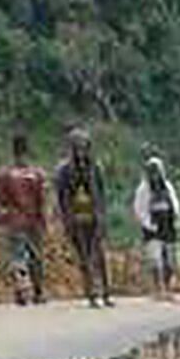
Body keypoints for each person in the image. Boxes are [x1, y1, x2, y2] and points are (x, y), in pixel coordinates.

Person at [54, 126, 113, 308]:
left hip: (94, 217)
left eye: (83, 146)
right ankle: (91, 294)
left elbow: (101, 194)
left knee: (100, 256)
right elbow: (62, 196)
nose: (80, 150)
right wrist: (66, 219)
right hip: (76, 218)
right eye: (77, 146)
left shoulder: (95, 167)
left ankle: (106, 292)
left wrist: (102, 216)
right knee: (85, 257)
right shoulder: (64, 170)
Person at [0, 133, 50, 305]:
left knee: (17, 256)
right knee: (36, 256)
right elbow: (42, 199)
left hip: (14, 221)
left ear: (13, 151)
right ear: (28, 150)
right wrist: (44, 220)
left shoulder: (5, 174)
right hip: (33, 221)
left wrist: (4, 218)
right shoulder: (37, 174)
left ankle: (21, 289)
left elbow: (1, 200)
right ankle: (38, 292)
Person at [132, 154, 180, 301]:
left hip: (168, 226)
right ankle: (158, 289)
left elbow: (175, 204)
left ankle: (167, 288)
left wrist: (177, 220)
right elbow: (139, 209)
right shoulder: (143, 189)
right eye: (152, 171)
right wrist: (148, 224)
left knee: (170, 261)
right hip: (152, 229)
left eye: (157, 171)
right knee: (155, 260)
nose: (155, 175)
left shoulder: (167, 186)